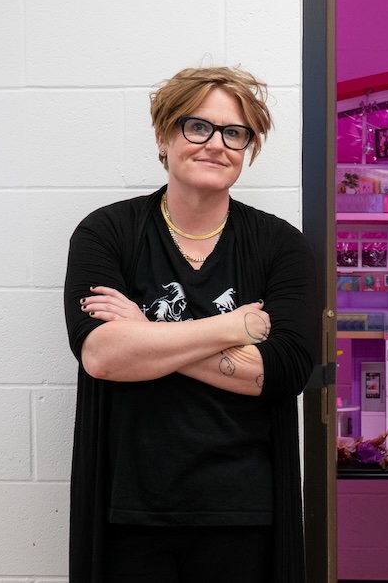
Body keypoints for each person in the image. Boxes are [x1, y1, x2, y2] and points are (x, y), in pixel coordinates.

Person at [63, 66, 316, 583]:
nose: (216, 144)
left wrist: (144, 333)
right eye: (197, 126)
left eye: (234, 132)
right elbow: (102, 356)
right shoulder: (107, 232)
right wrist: (235, 327)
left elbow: (284, 369)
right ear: (163, 135)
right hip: (128, 514)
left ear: (247, 147)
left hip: (244, 514)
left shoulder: (280, 246)